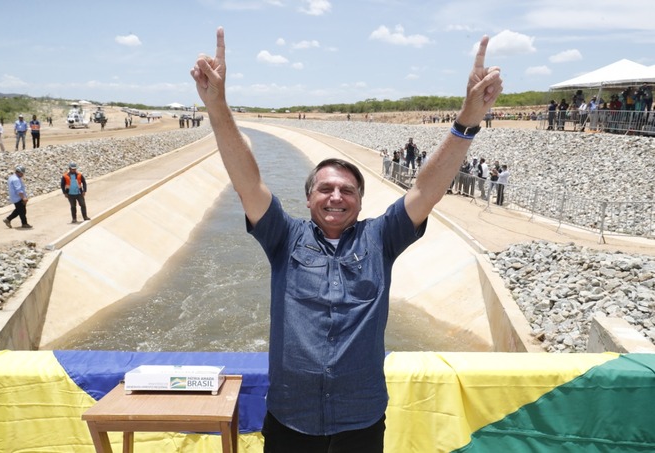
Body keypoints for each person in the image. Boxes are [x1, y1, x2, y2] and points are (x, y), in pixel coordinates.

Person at [191, 27, 502, 452]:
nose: (336, 196)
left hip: (360, 420)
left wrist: (466, 121)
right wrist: (217, 106)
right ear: (307, 198)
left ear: (360, 200)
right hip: (290, 420)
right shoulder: (284, 237)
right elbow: (248, 181)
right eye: (325, 188)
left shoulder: (381, 238)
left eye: (348, 190)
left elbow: (425, 190)